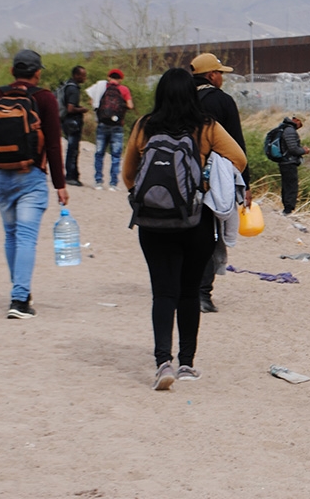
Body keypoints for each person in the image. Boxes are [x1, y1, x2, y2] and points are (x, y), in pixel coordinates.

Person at [122, 67, 246, 390]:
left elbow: (127, 175)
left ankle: (163, 362)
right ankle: (187, 364)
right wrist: (205, 173)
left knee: (163, 292)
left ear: (160, 94)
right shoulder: (206, 126)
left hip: (152, 222)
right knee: (189, 291)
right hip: (195, 222)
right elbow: (239, 159)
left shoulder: (144, 126)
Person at [0, 49, 68, 320]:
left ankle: (20, 292)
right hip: (31, 177)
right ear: (38, 72)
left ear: (12, 71)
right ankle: (19, 299)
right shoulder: (44, 98)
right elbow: (53, 144)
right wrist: (60, 184)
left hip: (0, 177)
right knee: (26, 237)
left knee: (11, 234)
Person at [191, 53, 251, 313]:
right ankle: (203, 293)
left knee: (183, 232)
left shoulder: (180, 99)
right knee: (209, 234)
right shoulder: (222, 101)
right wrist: (245, 185)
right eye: (220, 73)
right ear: (211, 75)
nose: (222, 78)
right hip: (212, 180)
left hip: (180, 177)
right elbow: (236, 146)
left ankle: (185, 287)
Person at [92, 69, 133, 191]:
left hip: (102, 124)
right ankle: (113, 184)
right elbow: (130, 105)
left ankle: (98, 181)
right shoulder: (124, 90)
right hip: (117, 126)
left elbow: (93, 103)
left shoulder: (101, 88)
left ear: (109, 77)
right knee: (115, 155)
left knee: (99, 154)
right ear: (120, 79)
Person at [62, 66, 88, 186]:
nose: (84, 78)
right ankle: (71, 176)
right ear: (76, 75)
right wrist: (82, 109)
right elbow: (70, 108)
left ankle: (73, 174)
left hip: (66, 121)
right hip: (73, 122)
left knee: (72, 149)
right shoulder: (73, 89)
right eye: (83, 75)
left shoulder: (67, 85)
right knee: (73, 150)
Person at [277, 116, 309, 215]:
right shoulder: (290, 130)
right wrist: (304, 151)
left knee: (286, 184)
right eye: (301, 124)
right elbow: (293, 149)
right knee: (291, 185)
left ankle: (287, 207)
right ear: (297, 120)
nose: (300, 127)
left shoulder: (285, 128)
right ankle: (288, 209)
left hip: (284, 161)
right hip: (289, 162)